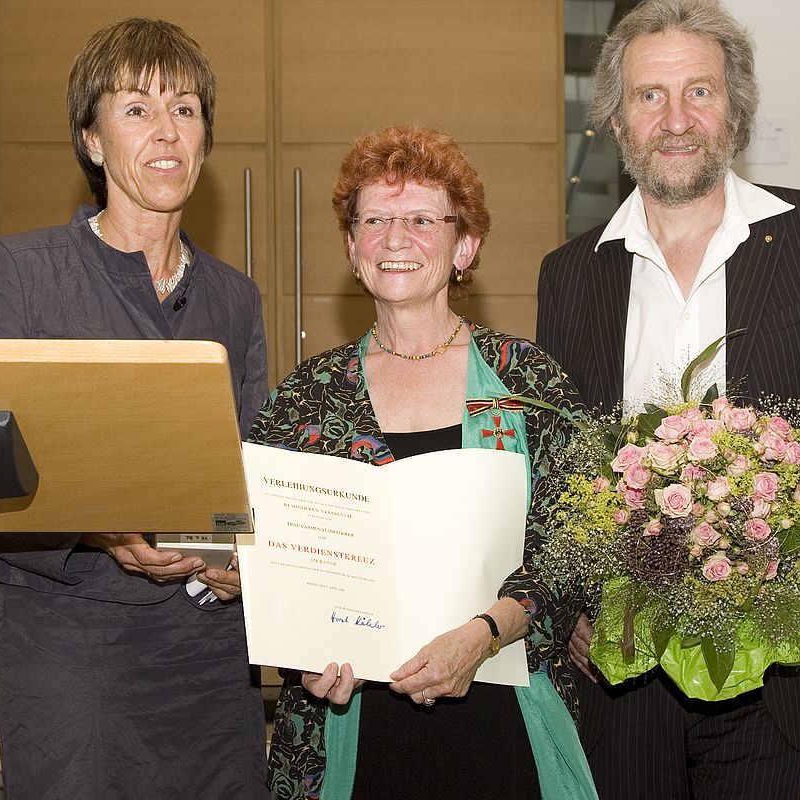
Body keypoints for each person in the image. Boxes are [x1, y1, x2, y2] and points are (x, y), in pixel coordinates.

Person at [536, 1, 800, 798]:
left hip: (771, 661)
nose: (676, 120)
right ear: (614, 117)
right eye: (649, 97)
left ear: (735, 109)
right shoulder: (570, 273)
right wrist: (567, 601)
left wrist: (793, 566)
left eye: (699, 92)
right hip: (622, 657)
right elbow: (560, 465)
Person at [0, 18, 269, 799]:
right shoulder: (22, 275)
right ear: (92, 141)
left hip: (209, 648)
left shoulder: (233, 297)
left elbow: (253, 479)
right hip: (71, 648)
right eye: (136, 109)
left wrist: (236, 562)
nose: (167, 133)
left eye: (186, 109)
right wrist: (100, 533)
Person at [249, 126, 596, 800]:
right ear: (352, 248)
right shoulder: (303, 397)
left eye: (420, 219)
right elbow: (274, 559)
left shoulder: (527, 380)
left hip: (503, 713)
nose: (395, 238)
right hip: (350, 720)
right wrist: (301, 657)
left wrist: (485, 632)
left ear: (465, 246)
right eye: (374, 219)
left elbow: (571, 550)